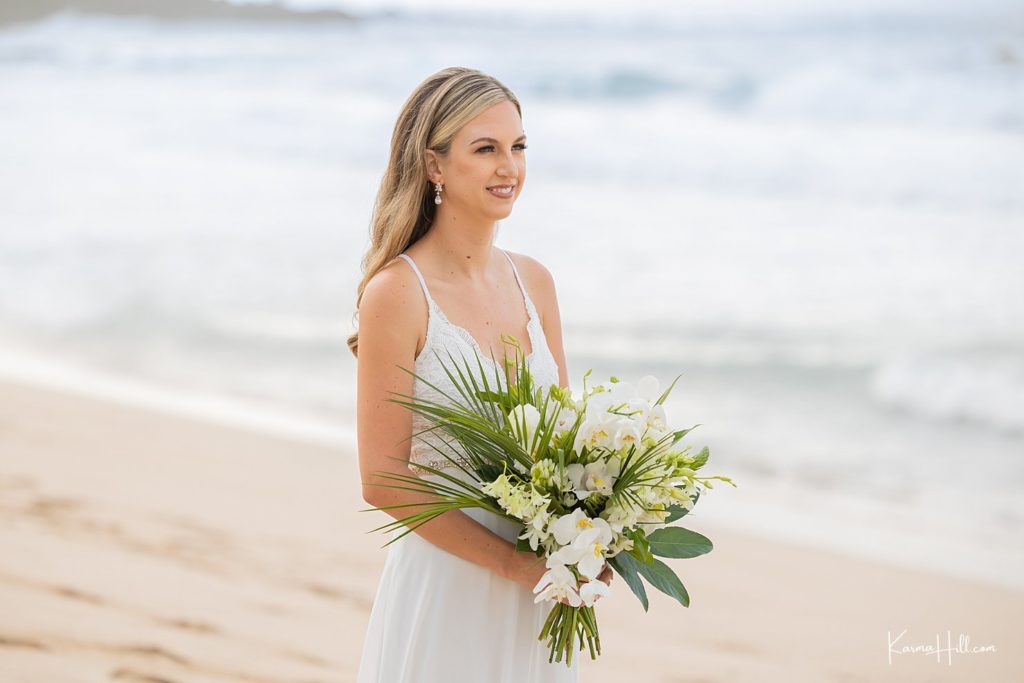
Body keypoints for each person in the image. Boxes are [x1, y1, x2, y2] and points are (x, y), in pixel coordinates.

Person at [349, 67, 612, 682]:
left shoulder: (535, 281)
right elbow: (384, 481)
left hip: (540, 591)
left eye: (518, 147)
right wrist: (512, 566)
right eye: (485, 149)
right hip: (451, 585)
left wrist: (594, 530)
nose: (509, 167)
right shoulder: (397, 293)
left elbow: (564, 444)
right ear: (434, 165)